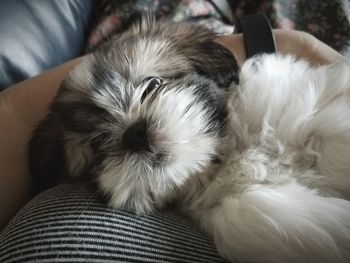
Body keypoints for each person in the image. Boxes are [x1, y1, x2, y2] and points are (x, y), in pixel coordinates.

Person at [0, 29, 345, 262]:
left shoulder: (272, 96)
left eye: (150, 87)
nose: (131, 134)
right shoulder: (237, 220)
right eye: (98, 147)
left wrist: (261, 36)